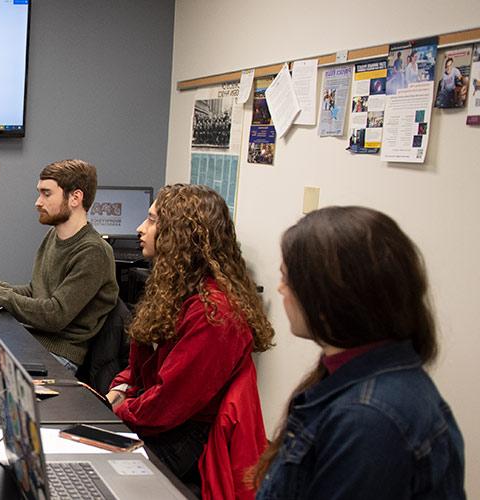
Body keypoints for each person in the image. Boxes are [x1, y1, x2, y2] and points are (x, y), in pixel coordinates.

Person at [252, 206, 464, 499]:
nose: (280, 289)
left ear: (326, 297)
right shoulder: (362, 381)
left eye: (287, 279)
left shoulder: (369, 421)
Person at [104, 184, 274, 496]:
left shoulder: (216, 314)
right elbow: (143, 364)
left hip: (184, 436)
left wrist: (120, 409)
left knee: (95, 474)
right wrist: (121, 386)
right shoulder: (177, 289)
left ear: (181, 234)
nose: (141, 229)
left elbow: (170, 401)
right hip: (160, 419)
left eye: (153, 221)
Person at [0, 159, 118, 372]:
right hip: (34, 340)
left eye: (47, 194)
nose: (38, 202)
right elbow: (35, 291)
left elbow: (54, 315)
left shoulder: (93, 251)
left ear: (75, 197)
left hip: (59, 354)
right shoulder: (54, 236)